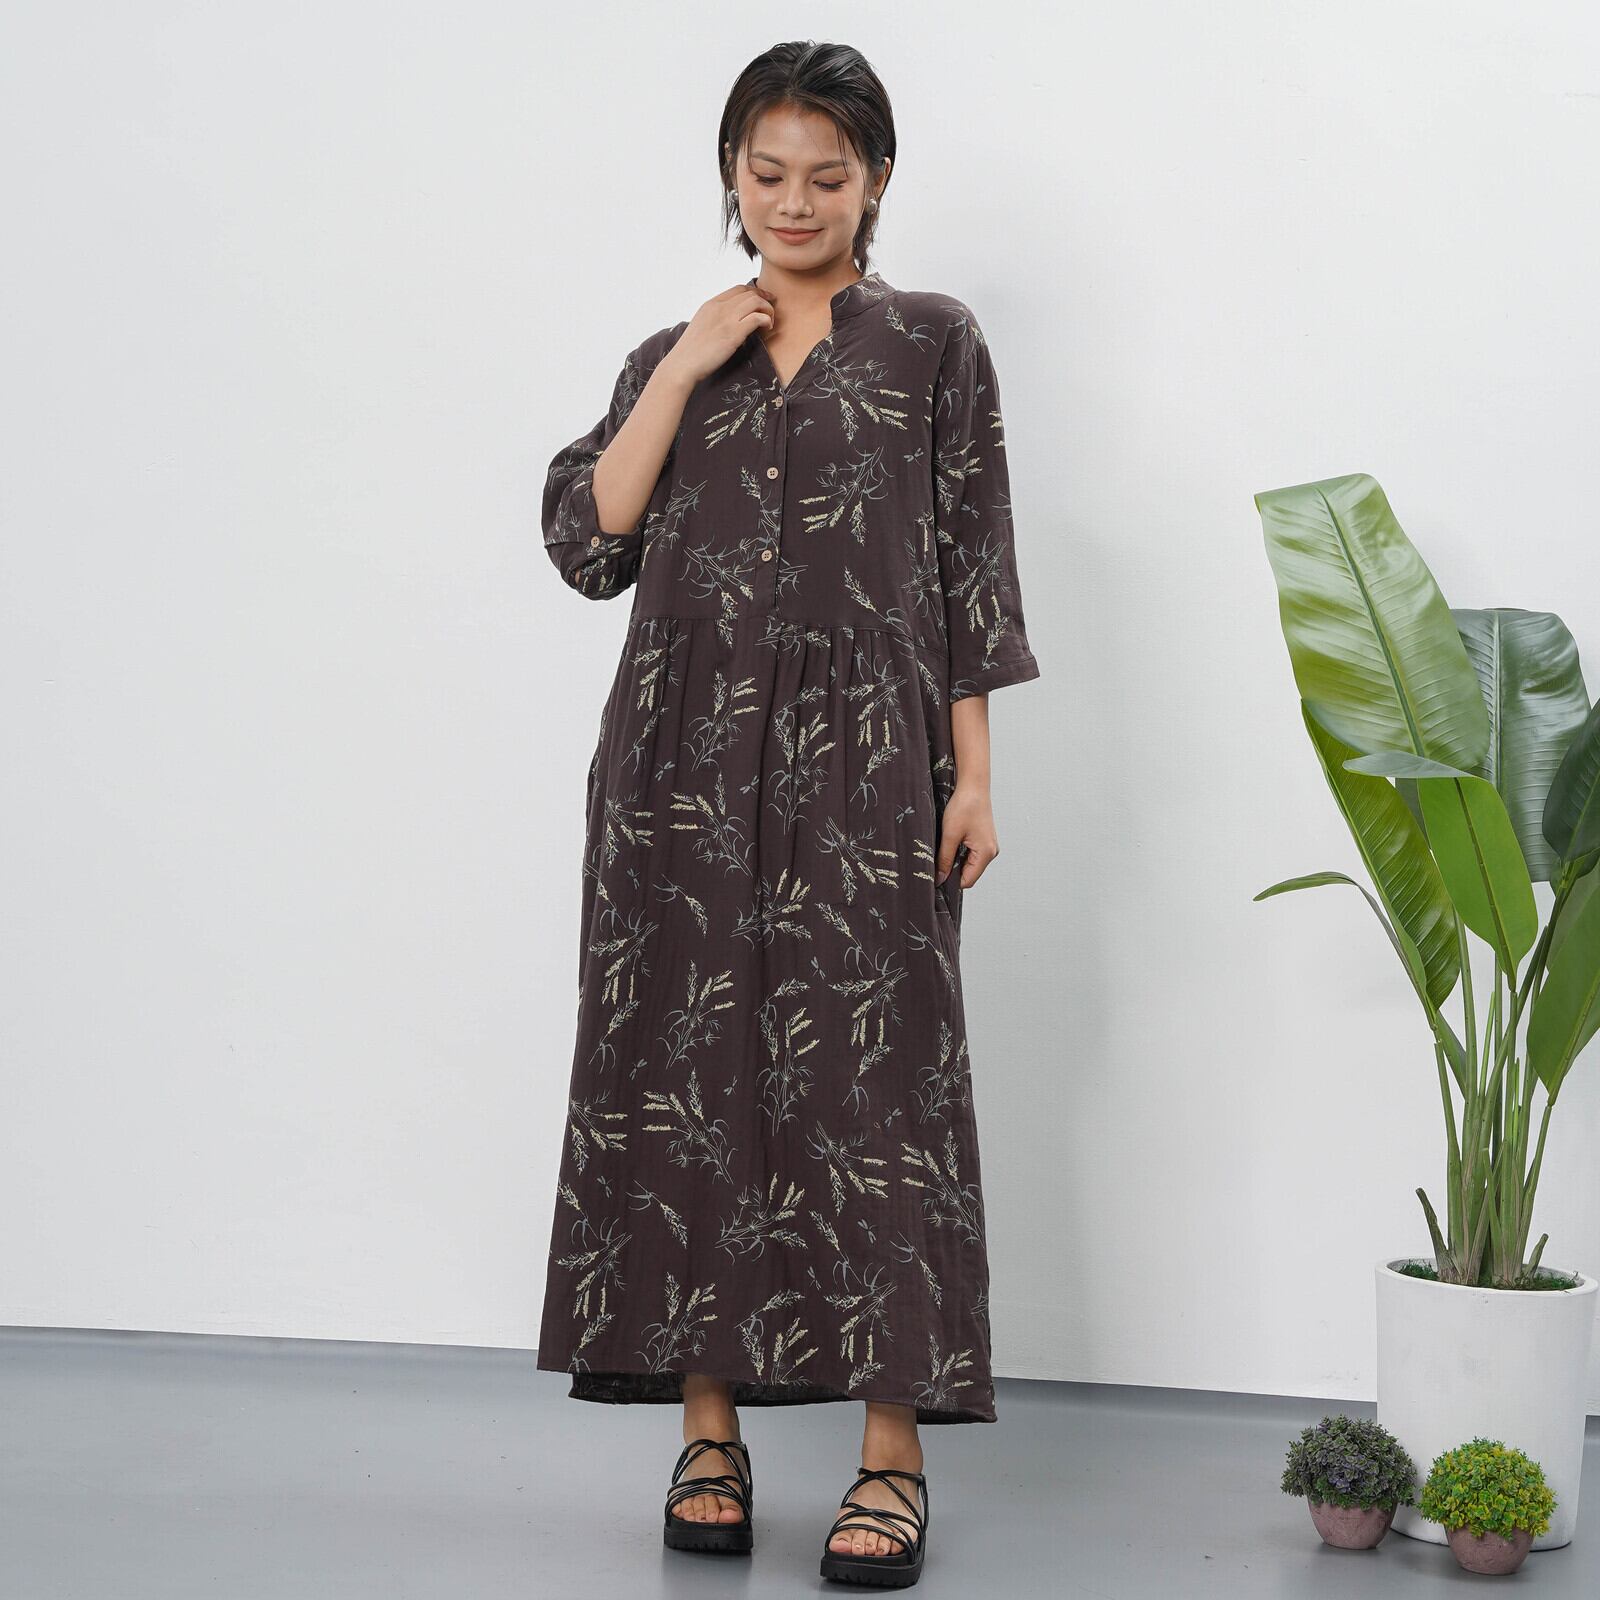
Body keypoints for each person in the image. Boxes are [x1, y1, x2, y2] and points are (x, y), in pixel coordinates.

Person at [535, 40, 1041, 1589]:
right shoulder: (673, 350)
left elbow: (968, 568)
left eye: (828, 175)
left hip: (872, 764)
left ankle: (892, 1455)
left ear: (876, 181)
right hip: (678, 766)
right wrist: (687, 362)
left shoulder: (933, 343)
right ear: (731, 177)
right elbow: (589, 540)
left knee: (880, 1098)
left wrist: (973, 772)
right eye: (767, 174)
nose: (795, 201)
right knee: (690, 1075)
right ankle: (709, 1433)